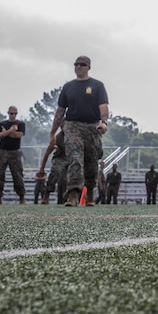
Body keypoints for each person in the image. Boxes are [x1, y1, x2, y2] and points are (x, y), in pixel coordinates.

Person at [50, 56, 109, 207]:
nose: (79, 67)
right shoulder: (68, 87)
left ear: (88, 67)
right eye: (76, 64)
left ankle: (89, 193)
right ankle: (73, 194)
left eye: (82, 65)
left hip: (92, 127)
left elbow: (103, 107)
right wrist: (52, 133)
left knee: (91, 162)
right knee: (75, 159)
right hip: (72, 126)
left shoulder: (97, 86)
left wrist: (103, 122)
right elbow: (60, 111)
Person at [0, 106, 27, 205]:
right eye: (11, 113)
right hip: (2, 151)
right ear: (8, 113)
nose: (13, 115)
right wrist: (11, 131)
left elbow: (19, 135)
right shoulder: (1, 124)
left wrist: (5, 133)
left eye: (15, 113)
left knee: (18, 175)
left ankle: (22, 198)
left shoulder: (20, 124)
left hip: (15, 152)